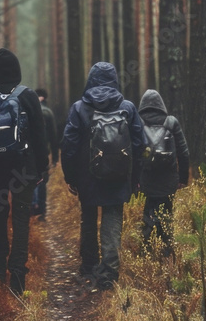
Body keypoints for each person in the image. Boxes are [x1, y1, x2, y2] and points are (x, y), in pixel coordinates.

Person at [0, 48, 49, 296]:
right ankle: (17, 275)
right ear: (17, 70)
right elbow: (39, 134)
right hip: (24, 167)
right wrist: (43, 165)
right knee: (21, 219)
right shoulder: (27, 96)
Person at [61, 62, 144, 290]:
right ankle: (108, 273)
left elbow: (68, 145)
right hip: (118, 176)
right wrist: (134, 177)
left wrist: (70, 176)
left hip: (87, 175)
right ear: (115, 80)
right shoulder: (127, 107)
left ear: (91, 79)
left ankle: (88, 267)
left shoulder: (79, 108)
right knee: (112, 219)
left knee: (88, 218)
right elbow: (140, 144)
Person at [137, 89, 190, 257]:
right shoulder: (171, 122)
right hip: (168, 180)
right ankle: (166, 255)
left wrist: (135, 180)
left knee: (148, 214)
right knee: (166, 215)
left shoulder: (138, 122)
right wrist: (182, 178)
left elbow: (134, 152)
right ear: (161, 104)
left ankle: (145, 253)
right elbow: (184, 152)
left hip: (147, 179)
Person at [31, 88, 58, 219]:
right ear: (45, 98)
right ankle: (42, 211)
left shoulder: (28, 110)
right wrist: (55, 159)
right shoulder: (48, 113)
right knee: (42, 180)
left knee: (29, 179)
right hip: (43, 152)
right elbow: (53, 138)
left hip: (29, 153)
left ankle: (31, 207)